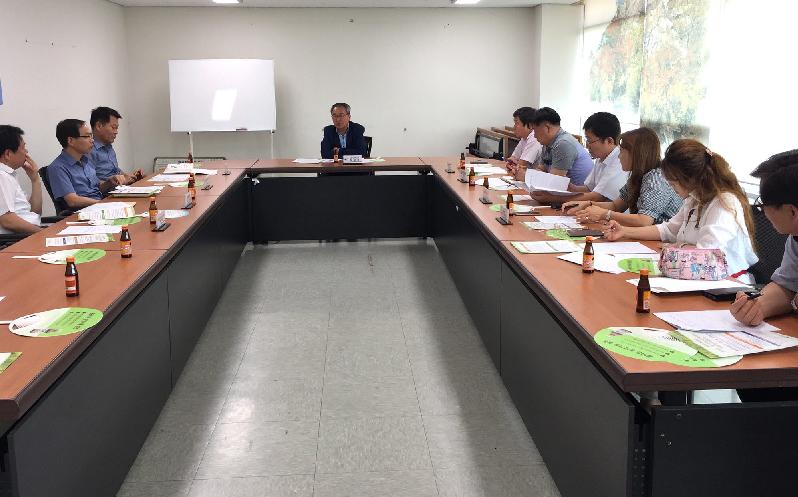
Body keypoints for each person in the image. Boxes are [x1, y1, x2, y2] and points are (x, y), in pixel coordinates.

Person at [603, 139, 758, 282]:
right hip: (694, 277)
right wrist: (624, 231)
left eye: (673, 183)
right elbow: (668, 230)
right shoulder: (694, 199)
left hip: (727, 284)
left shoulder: (724, 203)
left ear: (689, 178)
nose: (672, 188)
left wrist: (679, 246)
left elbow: (706, 254)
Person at [563, 127, 682, 226]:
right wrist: (587, 204)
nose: (619, 157)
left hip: (665, 242)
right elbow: (616, 205)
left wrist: (605, 214)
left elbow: (644, 220)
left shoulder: (655, 178)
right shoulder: (637, 175)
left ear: (636, 154)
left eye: (621, 151)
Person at [731, 150, 798, 326]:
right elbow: (787, 284)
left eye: (763, 203)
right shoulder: (795, 238)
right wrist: (757, 307)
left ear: (792, 212)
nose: (762, 210)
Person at [533, 111, 627, 203]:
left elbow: (597, 197)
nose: (587, 146)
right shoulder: (601, 158)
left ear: (609, 141)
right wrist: (572, 188)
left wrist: (554, 198)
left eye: (590, 141)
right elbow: (588, 189)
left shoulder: (619, 161)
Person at [47, 119, 124, 210]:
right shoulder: (57, 168)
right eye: (87, 136)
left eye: (91, 136)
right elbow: (72, 201)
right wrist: (102, 203)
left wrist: (109, 182)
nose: (92, 140)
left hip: (100, 205)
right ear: (71, 141)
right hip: (83, 212)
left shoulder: (86, 160)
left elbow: (96, 189)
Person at [529, 107, 593, 189]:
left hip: (575, 195)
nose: (534, 135)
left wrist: (527, 177)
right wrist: (528, 175)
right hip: (560, 192)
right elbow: (541, 169)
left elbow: (553, 183)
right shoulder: (547, 142)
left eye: (535, 131)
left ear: (547, 128)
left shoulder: (563, 143)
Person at [0, 125, 42, 234]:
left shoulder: (8, 175)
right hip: (17, 240)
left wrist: (35, 179)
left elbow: (34, 213)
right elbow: (8, 221)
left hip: (28, 234)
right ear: (8, 154)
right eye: (23, 148)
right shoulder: (2, 176)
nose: (26, 152)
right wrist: (43, 233)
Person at [90, 106, 142, 184]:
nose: (116, 132)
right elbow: (91, 183)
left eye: (117, 128)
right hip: (107, 190)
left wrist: (128, 176)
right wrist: (115, 182)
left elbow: (115, 170)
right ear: (99, 126)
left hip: (120, 187)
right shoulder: (88, 150)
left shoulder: (108, 146)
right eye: (113, 127)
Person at [505, 107, 542, 180]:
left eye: (517, 123)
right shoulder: (524, 137)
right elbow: (512, 159)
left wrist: (515, 164)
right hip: (524, 178)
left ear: (530, 125)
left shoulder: (534, 138)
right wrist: (511, 163)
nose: (514, 127)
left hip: (533, 180)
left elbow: (521, 165)